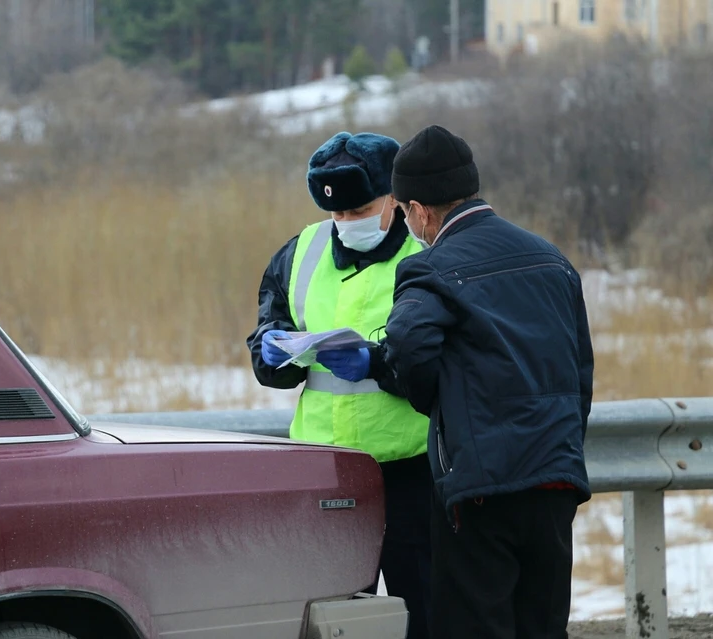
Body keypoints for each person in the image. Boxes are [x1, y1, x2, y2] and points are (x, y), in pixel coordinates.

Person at [324, 124, 593, 638]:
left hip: (480, 489)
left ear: (420, 210)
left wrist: (436, 407)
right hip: (555, 480)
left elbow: (407, 345)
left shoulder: (432, 268)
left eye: (404, 211)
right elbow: (580, 369)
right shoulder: (551, 258)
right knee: (541, 626)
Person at [246, 131, 432, 639]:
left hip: (411, 473)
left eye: (361, 210)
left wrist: (378, 364)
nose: (348, 224)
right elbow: (269, 331)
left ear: (394, 198)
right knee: (336, 619)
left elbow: (443, 363)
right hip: (328, 472)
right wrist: (272, 350)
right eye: (338, 216)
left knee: (424, 610)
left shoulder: (426, 254)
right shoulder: (301, 251)